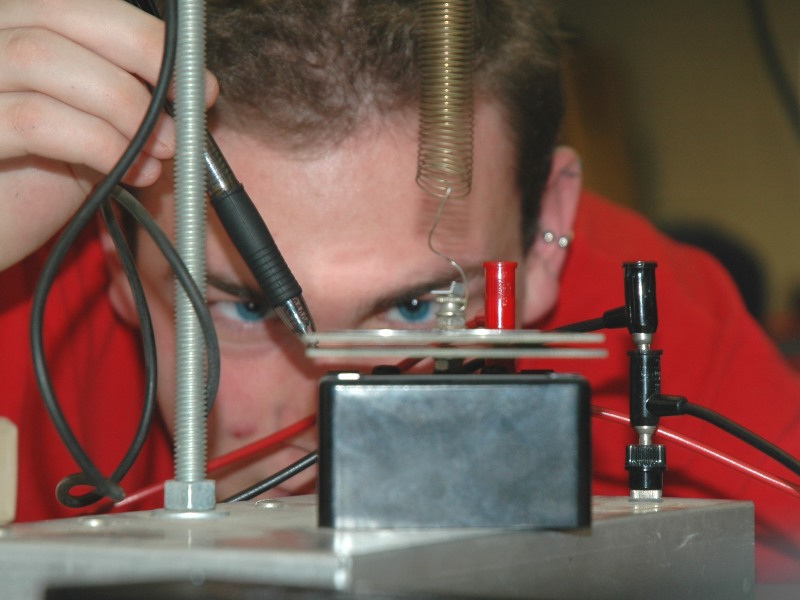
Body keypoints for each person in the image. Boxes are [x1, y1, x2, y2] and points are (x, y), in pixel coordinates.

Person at [1, 0, 799, 583]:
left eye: (415, 309)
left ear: (548, 227)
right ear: (110, 248)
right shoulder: (30, 261)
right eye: (241, 309)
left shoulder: (659, 344)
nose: (325, 418)